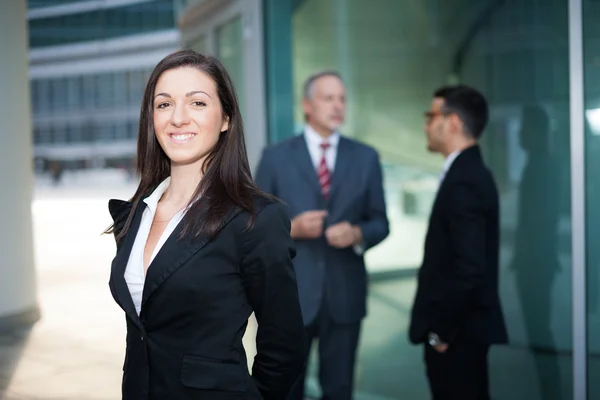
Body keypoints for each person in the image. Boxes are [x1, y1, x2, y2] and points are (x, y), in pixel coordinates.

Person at [105, 50, 306, 400]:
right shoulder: (137, 213)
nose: (178, 118)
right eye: (164, 104)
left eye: (197, 103)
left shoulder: (254, 219)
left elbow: (284, 344)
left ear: (226, 118)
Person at [255, 71, 389, 400]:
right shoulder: (275, 157)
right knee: (286, 390)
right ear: (307, 105)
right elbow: (252, 224)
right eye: (328, 98)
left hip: (345, 295)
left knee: (340, 390)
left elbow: (380, 222)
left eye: (342, 98)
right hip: (290, 296)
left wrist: (357, 232)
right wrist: (293, 229)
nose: (337, 105)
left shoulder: (366, 157)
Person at [408, 85, 508, 400]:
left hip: (457, 335)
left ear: (452, 122)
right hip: (462, 332)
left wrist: (441, 332)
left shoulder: (465, 179)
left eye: (431, 115)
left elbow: (469, 268)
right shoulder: (467, 172)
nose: (426, 124)